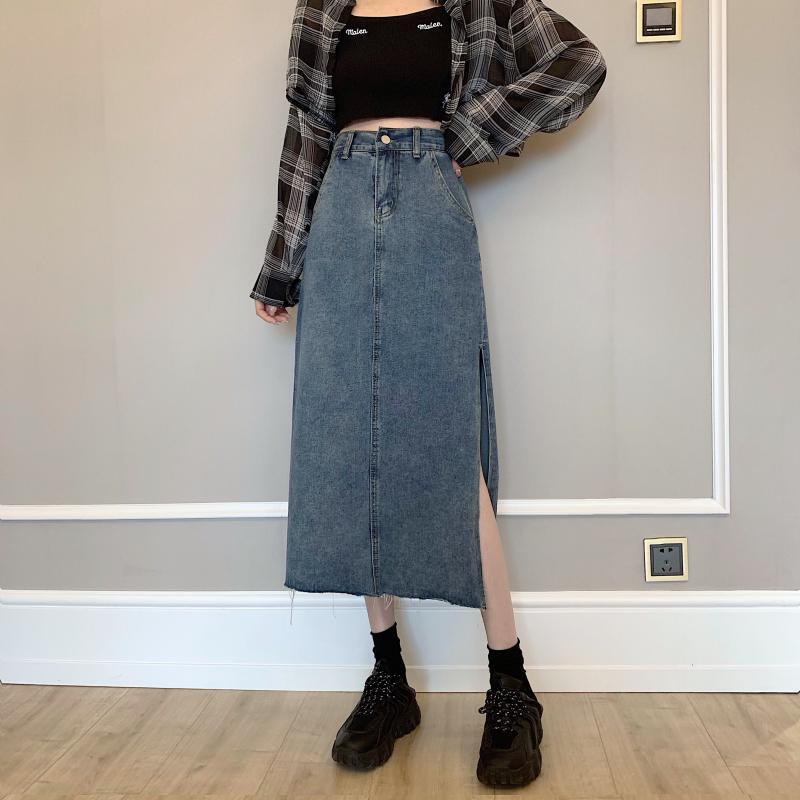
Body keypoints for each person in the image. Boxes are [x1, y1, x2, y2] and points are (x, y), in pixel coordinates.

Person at [250, 0, 607, 787]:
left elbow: (579, 64)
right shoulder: (322, 9)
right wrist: (282, 264)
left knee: (450, 444)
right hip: (341, 216)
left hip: (429, 211)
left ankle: (511, 685)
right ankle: (389, 679)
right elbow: (306, 136)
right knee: (351, 438)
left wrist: (467, 131)